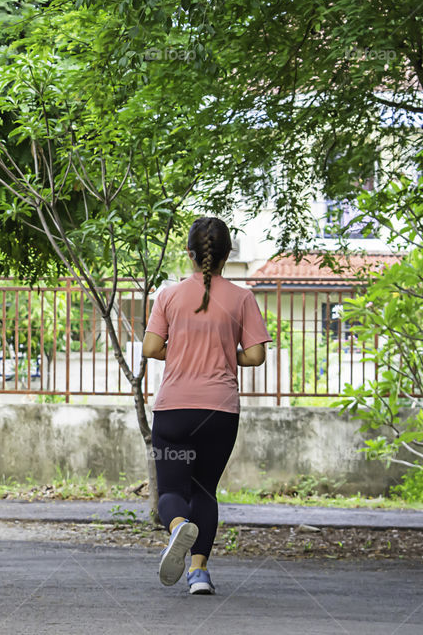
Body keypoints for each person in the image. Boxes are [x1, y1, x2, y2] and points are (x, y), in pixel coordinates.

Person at [141, 216, 271, 595]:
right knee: (204, 490)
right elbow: (257, 355)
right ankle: (199, 574)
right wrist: (224, 354)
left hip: (175, 410)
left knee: (172, 492)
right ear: (227, 254)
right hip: (219, 411)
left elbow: (151, 348)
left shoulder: (169, 295)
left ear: (190, 254)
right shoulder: (242, 297)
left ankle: (178, 527)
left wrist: (181, 350)